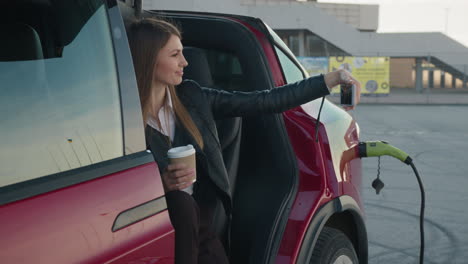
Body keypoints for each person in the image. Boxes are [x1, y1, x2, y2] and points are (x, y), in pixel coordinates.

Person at [127, 18, 361, 264]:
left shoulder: (193, 96)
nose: (185, 62)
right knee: (179, 202)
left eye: (182, 53)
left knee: (187, 207)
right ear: (150, 59)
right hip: (153, 224)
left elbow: (264, 101)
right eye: (175, 55)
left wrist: (331, 80)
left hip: (201, 221)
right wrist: (160, 183)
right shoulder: (122, 118)